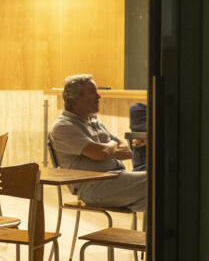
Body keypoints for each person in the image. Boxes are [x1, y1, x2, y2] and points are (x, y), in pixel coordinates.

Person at [49, 74, 147, 213]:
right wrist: (112, 143)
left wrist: (107, 149)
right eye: (92, 92)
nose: (98, 96)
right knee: (156, 180)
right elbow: (101, 153)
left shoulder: (94, 121)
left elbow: (127, 152)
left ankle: (155, 234)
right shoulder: (64, 126)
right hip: (93, 187)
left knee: (160, 197)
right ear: (76, 98)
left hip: (115, 179)